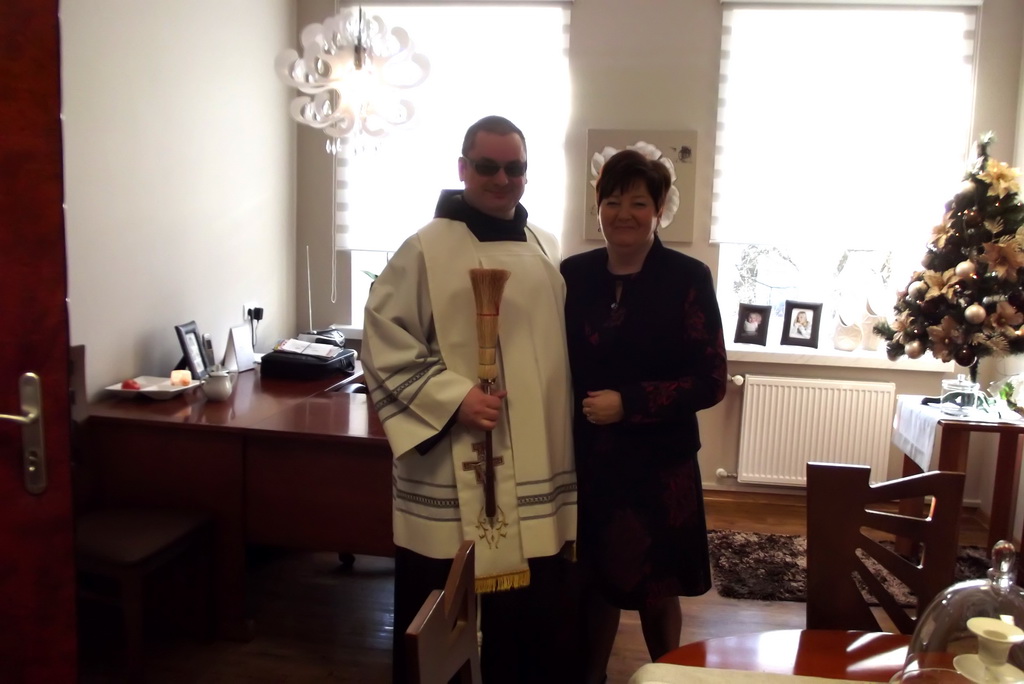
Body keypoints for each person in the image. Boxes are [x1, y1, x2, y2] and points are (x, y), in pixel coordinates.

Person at [361, 115, 578, 684]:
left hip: (536, 464)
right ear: (463, 168)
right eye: (487, 167)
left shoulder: (545, 245)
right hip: (453, 462)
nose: (502, 179)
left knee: (527, 620)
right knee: (441, 612)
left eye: (515, 168)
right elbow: (384, 340)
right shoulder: (425, 248)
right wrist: (455, 399)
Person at [560, 149, 728, 684]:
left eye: (638, 202)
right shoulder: (572, 275)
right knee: (593, 584)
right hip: (590, 461)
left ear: (659, 209)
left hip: (660, 466)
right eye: (613, 201)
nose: (624, 213)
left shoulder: (687, 277)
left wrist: (629, 402)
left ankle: (668, 676)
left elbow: (711, 379)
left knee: (657, 589)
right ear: (598, 207)